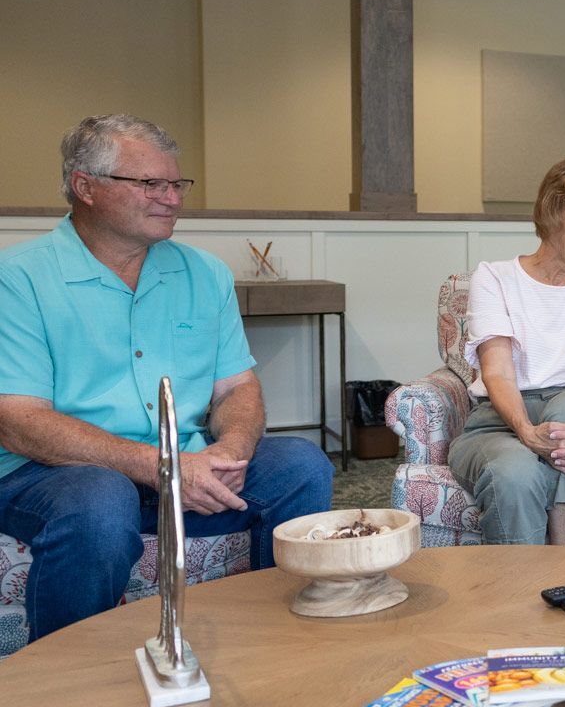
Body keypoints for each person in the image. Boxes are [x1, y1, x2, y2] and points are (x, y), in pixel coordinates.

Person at [0, 113, 333, 641]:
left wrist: (231, 451)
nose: (173, 198)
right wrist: (163, 467)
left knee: (300, 464)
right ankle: (67, 680)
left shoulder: (205, 272)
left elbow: (236, 387)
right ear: (85, 187)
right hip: (51, 474)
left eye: (177, 184)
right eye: (150, 184)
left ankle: (280, 642)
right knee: (100, 499)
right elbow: (19, 422)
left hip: (185, 466)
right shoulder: (17, 278)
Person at [449, 157, 565, 546]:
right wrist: (527, 433)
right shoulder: (494, 277)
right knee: (515, 472)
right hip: (501, 421)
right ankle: (523, 595)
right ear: (553, 212)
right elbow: (497, 371)